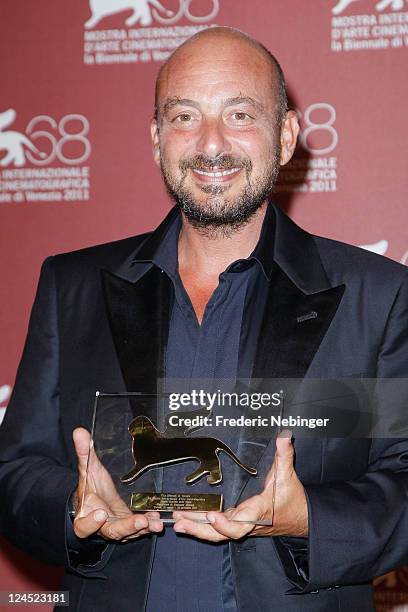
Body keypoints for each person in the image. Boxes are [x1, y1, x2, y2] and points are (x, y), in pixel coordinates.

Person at [1, 26, 408, 612]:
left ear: (287, 134)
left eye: (240, 114)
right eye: (184, 116)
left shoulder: (376, 297)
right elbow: (14, 469)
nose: (210, 144)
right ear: (156, 138)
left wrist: (305, 520)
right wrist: (74, 509)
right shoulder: (74, 288)